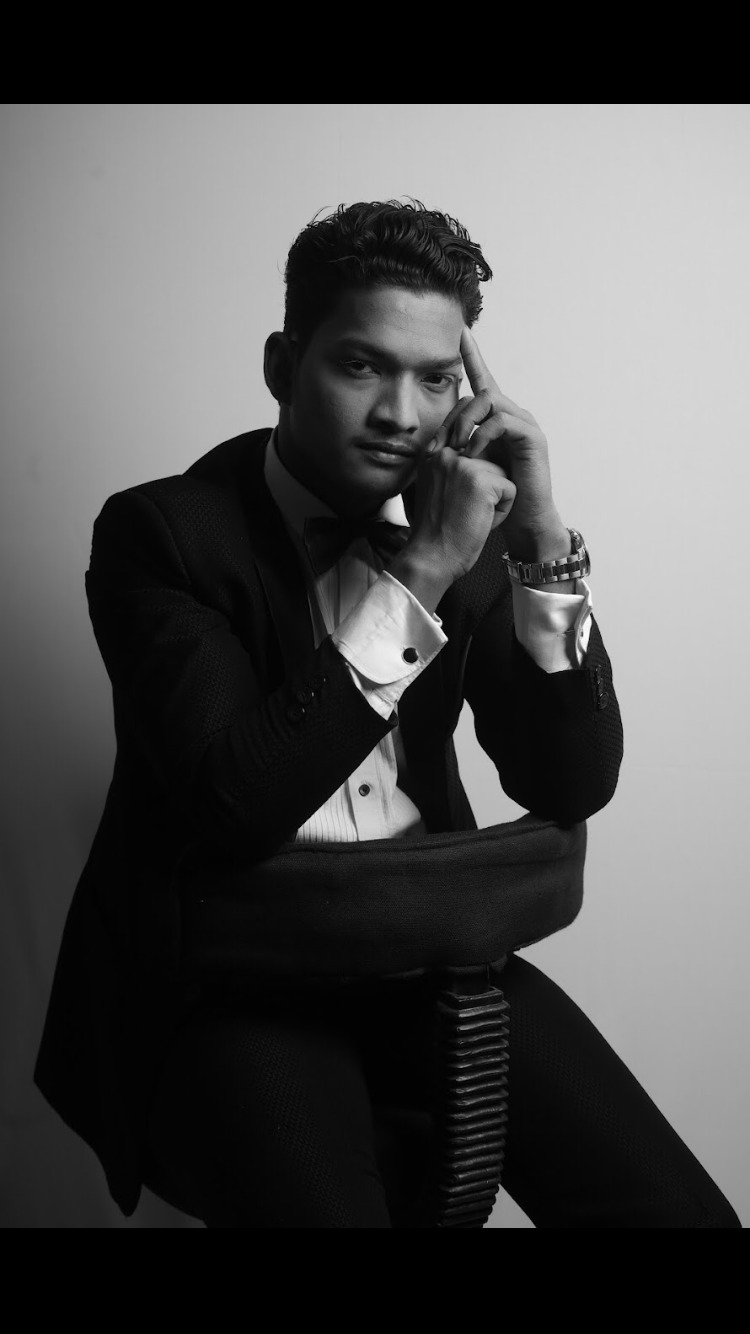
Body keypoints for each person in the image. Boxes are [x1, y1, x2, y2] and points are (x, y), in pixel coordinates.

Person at [35, 200, 741, 1228]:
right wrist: (424, 570)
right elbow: (237, 804)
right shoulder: (163, 534)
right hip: (233, 970)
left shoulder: (470, 532)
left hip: (428, 943)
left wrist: (541, 542)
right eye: (362, 366)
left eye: (437, 378)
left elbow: (570, 781)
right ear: (283, 366)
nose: (403, 415)